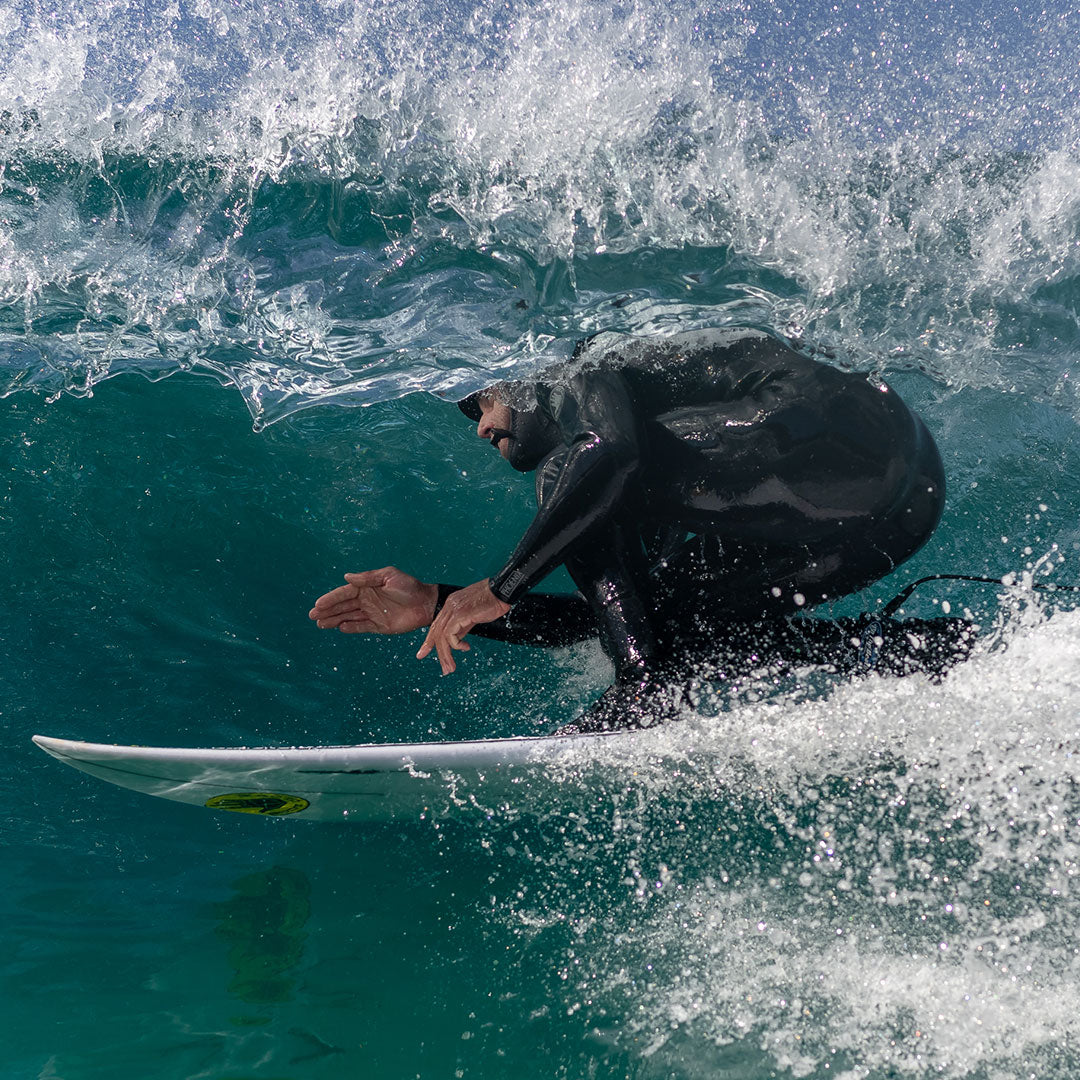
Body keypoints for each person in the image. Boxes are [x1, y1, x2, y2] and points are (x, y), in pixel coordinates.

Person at [310, 329, 972, 731]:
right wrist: (440, 602)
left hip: (835, 431)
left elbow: (613, 452)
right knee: (683, 627)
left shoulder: (576, 365)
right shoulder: (672, 478)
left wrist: (506, 585)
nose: (481, 429)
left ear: (520, 377)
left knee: (577, 472)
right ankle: (928, 652)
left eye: (479, 403)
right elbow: (625, 617)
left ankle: (644, 691)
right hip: (903, 504)